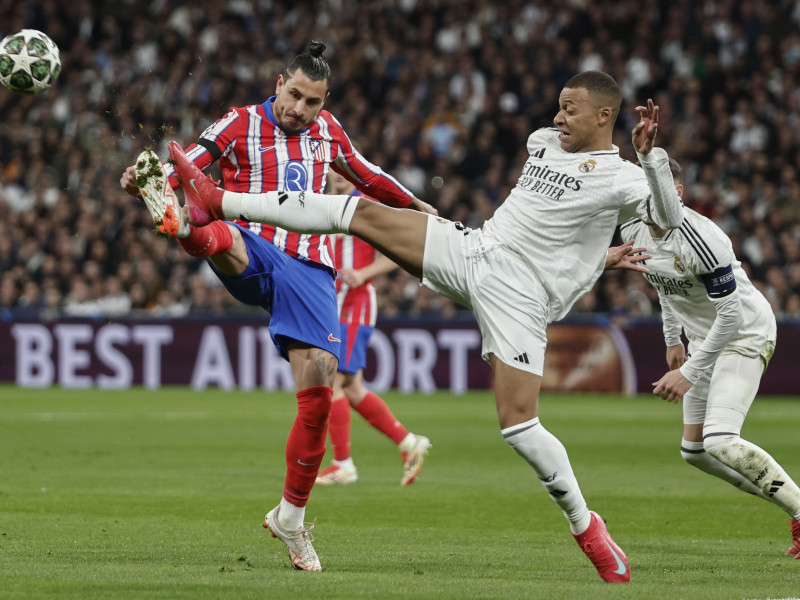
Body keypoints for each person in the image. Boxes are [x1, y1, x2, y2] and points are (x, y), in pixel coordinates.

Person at [165, 70, 683, 583]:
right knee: (359, 213)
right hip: (474, 250)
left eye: (570, 108)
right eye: (559, 105)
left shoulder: (626, 176)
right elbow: (552, 220)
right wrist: (595, 256)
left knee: (520, 427)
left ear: (604, 115)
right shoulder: (542, 142)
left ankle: (587, 526)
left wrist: (651, 161)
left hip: (522, 300)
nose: (557, 116)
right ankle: (218, 202)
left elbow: (666, 219)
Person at [121, 41, 436, 572]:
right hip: (255, 245)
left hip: (312, 270)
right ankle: (182, 219)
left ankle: (291, 517)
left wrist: (414, 205)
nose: (299, 109)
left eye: (312, 102)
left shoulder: (328, 132)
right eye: (294, 95)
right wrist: (155, 181)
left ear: (324, 102)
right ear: (278, 83)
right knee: (217, 232)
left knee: (320, 386)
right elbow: (192, 160)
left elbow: (369, 175)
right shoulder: (239, 122)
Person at [620, 159, 800, 559]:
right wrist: (673, 338)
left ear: (676, 194)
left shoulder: (702, 236)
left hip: (745, 332)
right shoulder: (632, 229)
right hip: (703, 336)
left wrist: (689, 371)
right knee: (695, 452)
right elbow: (663, 284)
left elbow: (731, 314)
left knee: (720, 439)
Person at [317, 169, 431, 487]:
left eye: (344, 172)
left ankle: (343, 463)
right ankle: (409, 443)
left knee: (331, 381)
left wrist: (365, 272)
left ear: (355, 176)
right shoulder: (320, 204)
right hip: (332, 306)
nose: (339, 178)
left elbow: (400, 251)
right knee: (351, 388)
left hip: (355, 306)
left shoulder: (367, 206)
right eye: (334, 171)